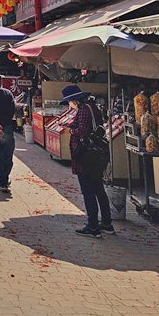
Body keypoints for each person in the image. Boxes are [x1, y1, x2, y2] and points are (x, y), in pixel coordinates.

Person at [65, 85, 115, 238]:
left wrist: (71, 130)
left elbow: (82, 131)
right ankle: (107, 224)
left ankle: (93, 226)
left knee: (88, 192)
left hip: (86, 156)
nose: (70, 104)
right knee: (99, 189)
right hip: (95, 156)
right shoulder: (92, 107)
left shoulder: (84, 110)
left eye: (70, 101)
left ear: (74, 100)